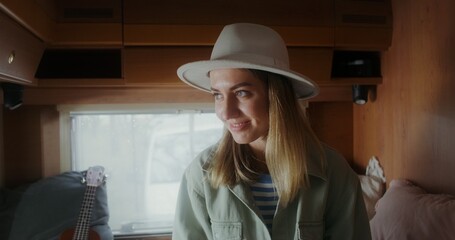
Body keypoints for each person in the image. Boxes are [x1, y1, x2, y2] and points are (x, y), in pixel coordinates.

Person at [173, 23, 371, 239]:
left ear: (277, 96)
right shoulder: (200, 176)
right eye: (217, 95)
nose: (226, 112)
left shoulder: (334, 174)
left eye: (241, 93)